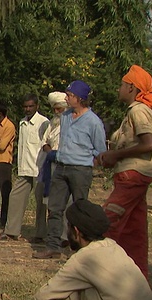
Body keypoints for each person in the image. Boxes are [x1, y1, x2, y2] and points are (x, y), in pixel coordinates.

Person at [5, 200, 152, 300]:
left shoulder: (85, 258)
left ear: (76, 231)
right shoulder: (114, 247)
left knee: (74, 293)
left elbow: (44, 296)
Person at [97, 65, 152, 278]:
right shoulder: (137, 111)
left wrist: (116, 156)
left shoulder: (138, 110)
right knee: (135, 229)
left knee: (109, 219)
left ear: (131, 88)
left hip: (132, 174)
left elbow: (149, 144)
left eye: (122, 85)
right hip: (135, 174)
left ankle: (98, 268)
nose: (119, 89)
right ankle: (138, 273)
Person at [34, 80, 107, 259]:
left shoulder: (93, 121)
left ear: (80, 98)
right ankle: (53, 246)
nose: (67, 98)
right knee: (55, 207)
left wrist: (89, 164)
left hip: (81, 169)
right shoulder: (65, 116)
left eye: (70, 95)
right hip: (61, 166)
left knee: (80, 210)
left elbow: (100, 150)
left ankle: (82, 249)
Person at [0, 95, 49, 241]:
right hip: (24, 167)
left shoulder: (44, 122)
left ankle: (40, 234)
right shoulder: (22, 122)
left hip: (39, 169)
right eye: (25, 106)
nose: (27, 109)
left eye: (30, 106)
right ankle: (11, 231)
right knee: (15, 197)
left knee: (41, 203)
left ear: (37, 106)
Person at [37, 92, 70, 245]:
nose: (57, 112)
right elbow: (44, 142)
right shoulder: (52, 123)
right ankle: (54, 234)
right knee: (53, 201)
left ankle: (66, 235)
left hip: (66, 163)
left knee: (67, 201)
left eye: (60, 109)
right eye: (55, 109)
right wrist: (50, 151)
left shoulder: (71, 122)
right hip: (52, 163)